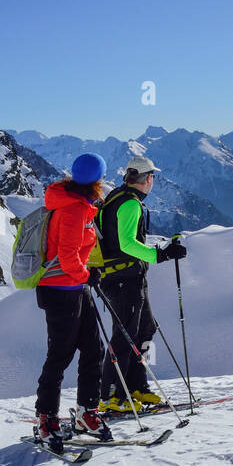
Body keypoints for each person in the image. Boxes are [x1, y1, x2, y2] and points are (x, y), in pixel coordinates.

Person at [34, 152, 113, 452]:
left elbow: (74, 254)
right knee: (60, 355)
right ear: (96, 180)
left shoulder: (78, 205)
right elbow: (67, 256)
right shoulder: (73, 210)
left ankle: (86, 413)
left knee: (93, 349)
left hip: (75, 286)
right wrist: (86, 273)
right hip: (60, 290)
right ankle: (46, 419)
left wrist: (85, 275)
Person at [96, 155, 187, 412]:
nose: (153, 181)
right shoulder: (130, 204)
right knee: (125, 336)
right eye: (153, 177)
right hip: (123, 279)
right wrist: (160, 255)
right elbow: (126, 243)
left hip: (125, 277)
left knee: (145, 329)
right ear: (148, 178)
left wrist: (161, 253)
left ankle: (136, 386)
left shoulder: (117, 196)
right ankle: (111, 395)